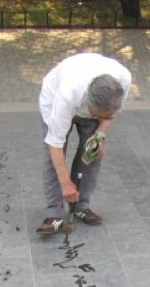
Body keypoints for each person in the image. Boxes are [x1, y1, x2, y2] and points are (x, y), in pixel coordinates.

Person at [37, 52, 131, 236]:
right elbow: (55, 144)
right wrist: (65, 183)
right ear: (88, 100)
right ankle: (54, 213)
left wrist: (100, 134)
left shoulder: (122, 80)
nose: (97, 118)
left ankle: (81, 205)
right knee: (53, 160)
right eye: (96, 115)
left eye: (104, 116)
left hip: (95, 103)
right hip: (54, 102)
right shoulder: (68, 93)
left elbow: (110, 113)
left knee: (92, 153)